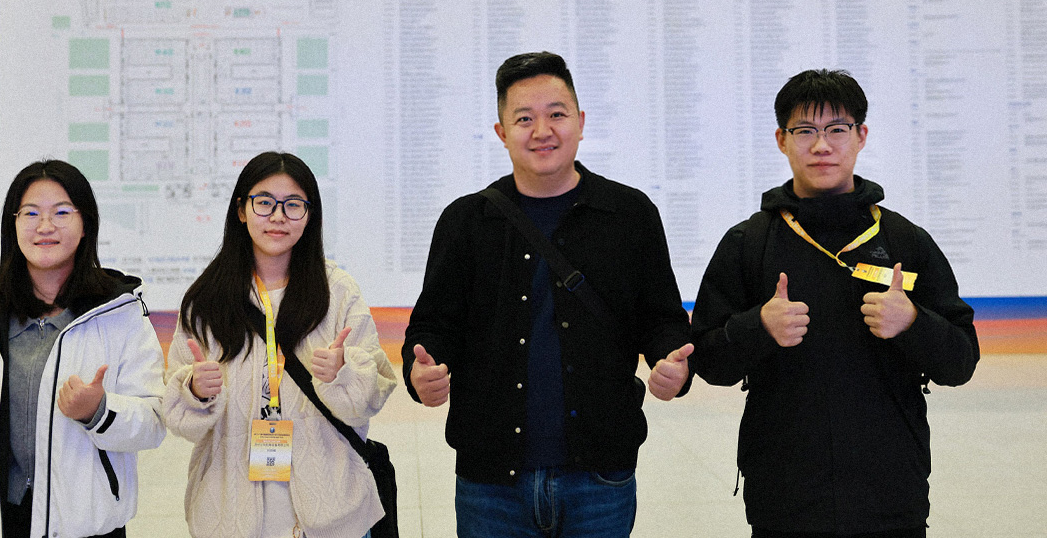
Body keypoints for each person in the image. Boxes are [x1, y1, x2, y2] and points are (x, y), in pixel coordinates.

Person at [401, 51, 693, 538]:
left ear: (581, 122)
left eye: (557, 114)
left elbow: (662, 318)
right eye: (524, 119)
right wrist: (421, 373)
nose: (542, 131)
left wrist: (673, 363)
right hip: (490, 484)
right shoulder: (466, 221)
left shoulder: (629, 214)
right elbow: (433, 325)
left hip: (600, 477)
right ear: (501, 132)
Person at [690, 69, 980, 538]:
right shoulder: (749, 243)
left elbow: (961, 362)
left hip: (891, 491)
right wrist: (757, 328)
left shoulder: (904, 240)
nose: (822, 146)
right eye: (805, 131)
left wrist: (913, 322)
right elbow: (708, 361)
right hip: (783, 494)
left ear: (861, 136)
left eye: (837, 129)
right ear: (782, 140)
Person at [0, 159, 167, 538]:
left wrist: (98, 411)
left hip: (85, 526)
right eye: (30, 213)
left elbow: (153, 424)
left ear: (85, 224)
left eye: (61, 212)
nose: (45, 226)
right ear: (12, 225)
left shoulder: (118, 312)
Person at [164, 151, 397, 538]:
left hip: (330, 516)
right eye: (264, 202)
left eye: (293, 205)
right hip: (230, 518)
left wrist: (344, 374)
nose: (278, 216)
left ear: (310, 215)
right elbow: (177, 419)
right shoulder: (206, 301)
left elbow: (370, 398)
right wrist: (194, 391)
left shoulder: (338, 292)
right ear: (241, 210)